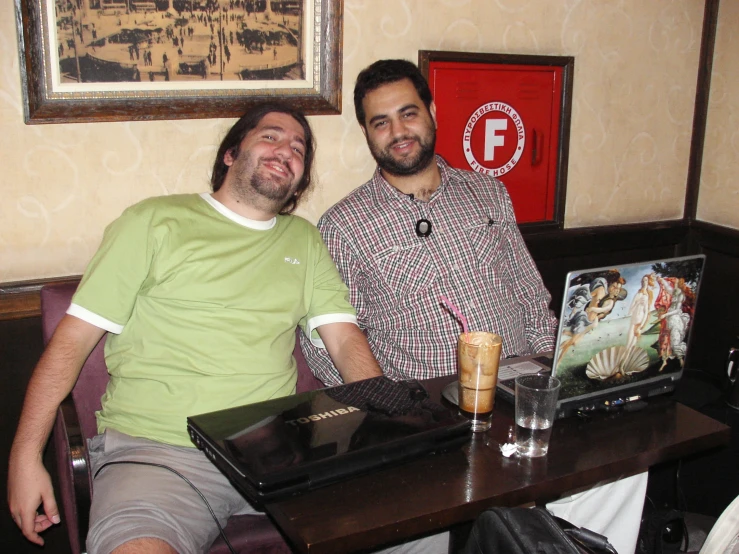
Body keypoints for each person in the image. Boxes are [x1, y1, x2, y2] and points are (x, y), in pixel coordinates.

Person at [300, 59, 648, 554]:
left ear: (432, 111)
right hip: (432, 417)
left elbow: (532, 298)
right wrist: (392, 422)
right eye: (381, 122)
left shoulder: (488, 192)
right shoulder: (345, 226)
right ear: (366, 133)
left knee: (626, 463)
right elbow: (326, 349)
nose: (398, 132)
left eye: (408, 113)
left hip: (520, 394)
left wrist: (570, 377)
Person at [8, 101, 382, 554]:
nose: (286, 149)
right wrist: (24, 457)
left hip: (279, 452)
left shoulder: (303, 239)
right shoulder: (153, 222)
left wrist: (386, 428)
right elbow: (71, 342)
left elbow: (344, 340)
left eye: (299, 148)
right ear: (230, 153)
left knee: (418, 515)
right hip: (160, 454)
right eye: (270, 136)